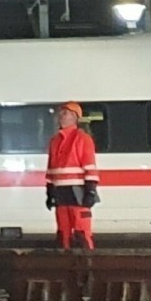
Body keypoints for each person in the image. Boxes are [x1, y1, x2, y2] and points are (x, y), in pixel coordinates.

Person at [44, 101, 98, 250]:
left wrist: (91, 191)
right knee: (63, 233)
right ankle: (67, 266)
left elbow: (90, 168)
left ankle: (88, 267)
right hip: (61, 193)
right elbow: (50, 169)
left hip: (78, 192)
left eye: (65, 113)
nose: (60, 116)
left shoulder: (83, 139)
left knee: (82, 232)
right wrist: (49, 192)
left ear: (75, 117)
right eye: (60, 113)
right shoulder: (54, 141)